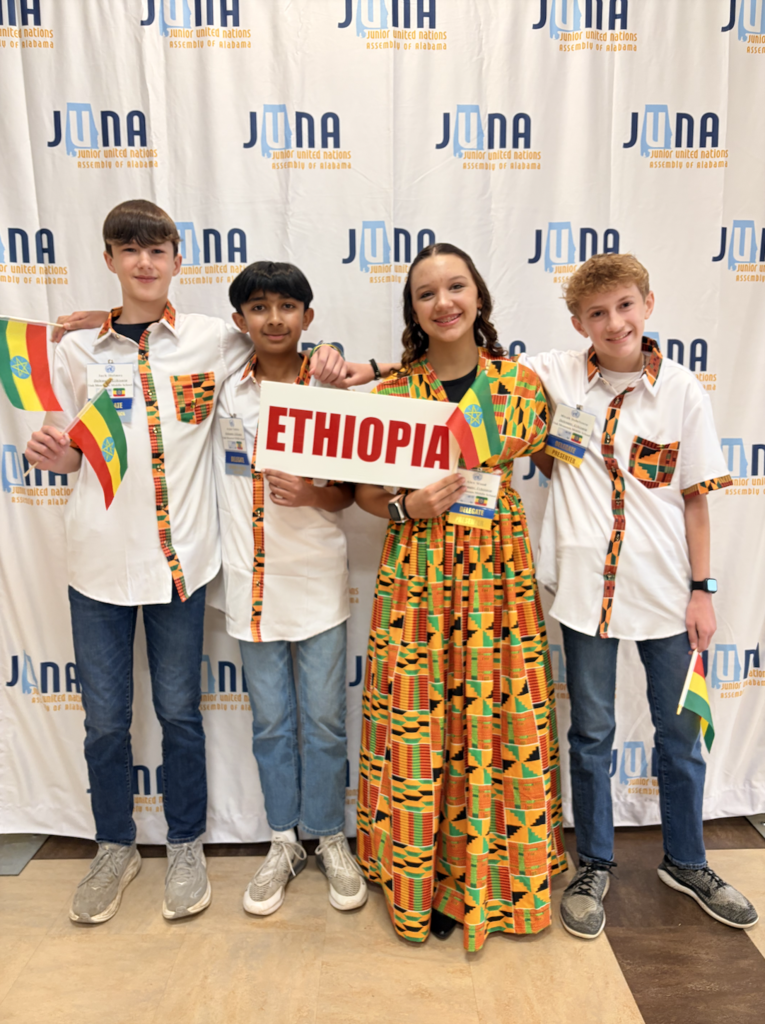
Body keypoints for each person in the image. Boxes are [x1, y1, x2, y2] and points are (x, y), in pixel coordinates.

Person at [25, 201, 348, 924]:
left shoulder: (213, 339)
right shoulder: (75, 353)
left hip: (182, 565)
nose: (144, 262)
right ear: (109, 259)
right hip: (97, 565)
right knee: (104, 723)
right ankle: (114, 847)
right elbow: (68, 446)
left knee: (179, 714)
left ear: (177, 259)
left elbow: (281, 341)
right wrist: (58, 453)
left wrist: (333, 352)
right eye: (128, 250)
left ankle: (184, 846)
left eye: (157, 250)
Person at [523, 253, 758, 938]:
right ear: (578, 323)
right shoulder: (556, 374)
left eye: (625, 305)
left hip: (666, 596)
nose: (614, 322)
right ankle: (593, 863)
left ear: (647, 304)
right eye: (596, 313)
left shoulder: (682, 391)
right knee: (591, 735)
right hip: (584, 596)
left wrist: (702, 591)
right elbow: (471, 367)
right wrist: (364, 370)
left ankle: (686, 861)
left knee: (680, 736)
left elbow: (695, 501)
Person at [353, 243, 568, 951]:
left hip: (497, 578)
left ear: (478, 296)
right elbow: (365, 495)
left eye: (455, 287)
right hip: (416, 574)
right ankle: (426, 880)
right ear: (412, 311)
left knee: (496, 720)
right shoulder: (391, 396)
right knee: (420, 726)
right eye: (426, 293)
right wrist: (405, 506)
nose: (443, 302)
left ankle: (494, 877)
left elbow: (570, 454)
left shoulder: (520, 386)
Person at [213, 261, 367, 916]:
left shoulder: (330, 388)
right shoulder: (224, 389)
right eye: (258, 307)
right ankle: (283, 840)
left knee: (325, 722)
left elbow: (351, 493)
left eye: (286, 306)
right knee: (272, 723)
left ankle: (328, 835)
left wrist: (311, 493)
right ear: (239, 319)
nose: (273, 319)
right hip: (249, 583)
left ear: (308, 316)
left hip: (316, 582)